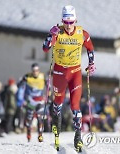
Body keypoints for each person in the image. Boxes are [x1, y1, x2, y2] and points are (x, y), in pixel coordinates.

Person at [43, 5, 95, 151]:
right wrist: (50, 35)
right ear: (62, 21)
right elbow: (45, 48)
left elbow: (90, 48)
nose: (69, 25)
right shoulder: (57, 32)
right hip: (60, 73)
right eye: (66, 22)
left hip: (75, 72)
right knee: (58, 103)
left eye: (71, 22)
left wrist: (91, 63)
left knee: (75, 106)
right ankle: (56, 127)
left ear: (75, 20)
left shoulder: (82, 33)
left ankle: (78, 138)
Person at [20, 63, 45, 142]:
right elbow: (20, 87)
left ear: (39, 70)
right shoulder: (27, 76)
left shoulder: (42, 76)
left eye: (37, 70)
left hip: (40, 101)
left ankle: (40, 135)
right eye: (34, 70)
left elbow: (48, 87)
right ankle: (28, 134)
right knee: (29, 119)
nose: (35, 72)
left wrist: (49, 96)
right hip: (30, 101)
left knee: (40, 118)